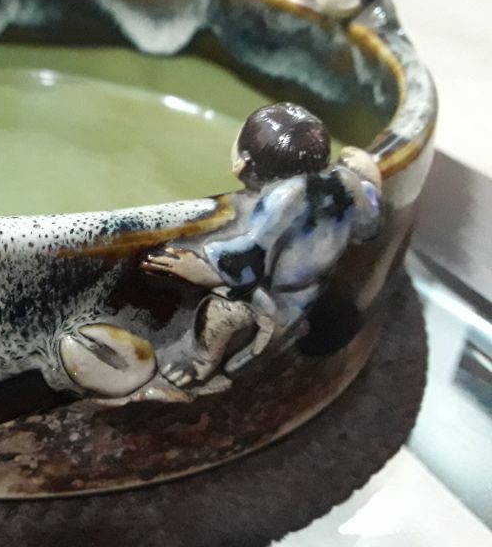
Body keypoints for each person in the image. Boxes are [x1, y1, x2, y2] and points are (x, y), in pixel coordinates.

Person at [142, 102, 383, 388]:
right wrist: (370, 180)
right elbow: (369, 226)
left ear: (242, 163)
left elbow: (249, 257)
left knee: (222, 310)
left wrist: (201, 270)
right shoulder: (344, 181)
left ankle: (201, 361)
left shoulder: (282, 200)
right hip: (313, 290)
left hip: (279, 303)